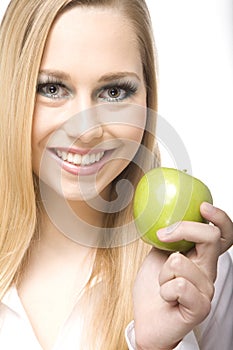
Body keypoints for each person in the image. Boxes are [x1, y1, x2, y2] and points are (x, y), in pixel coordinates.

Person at [0, 0, 232, 349]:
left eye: (113, 92)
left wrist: (157, 345)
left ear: (148, 97)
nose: (86, 130)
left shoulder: (195, 276)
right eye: (51, 88)